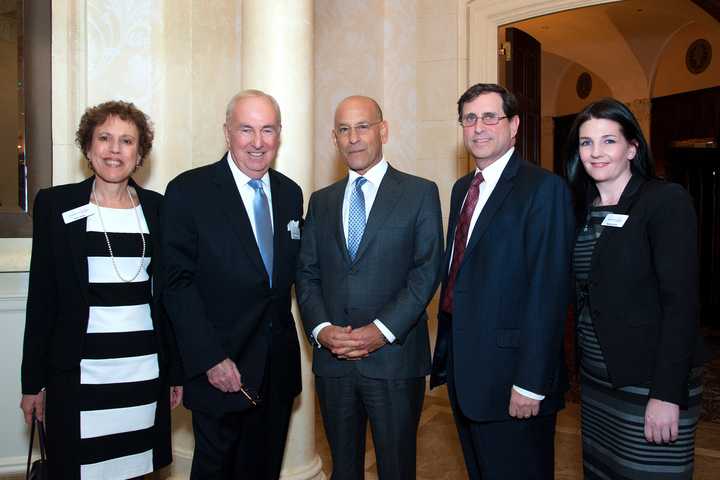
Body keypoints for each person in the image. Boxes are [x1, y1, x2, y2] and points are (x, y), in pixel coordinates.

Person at [20, 100, 183, 479]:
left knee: (134, 467)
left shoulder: (159, 209)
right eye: (104, 138)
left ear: (139, 153)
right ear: (88, 147)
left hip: (141, 372)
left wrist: (175, 372)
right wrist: (33, 382)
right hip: (80, 374)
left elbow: (167, 300)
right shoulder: (56, 205)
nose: (114, 149)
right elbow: (41, 298)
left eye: (127, 141)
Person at [430, 83, 575, 480]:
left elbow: (549, 292)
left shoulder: (543, 189)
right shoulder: (463, 189)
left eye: (490, 117)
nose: (479, 127)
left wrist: (531, 382)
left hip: (514, 380)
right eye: (470, 118)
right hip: (467, 374)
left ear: (514, 126)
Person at [296, 95, 443, 479]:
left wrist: (380, 332)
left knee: (396, 468)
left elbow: (426, 272)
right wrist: (321, 330)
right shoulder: (321, 202)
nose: (353, 138)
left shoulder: (419, 193)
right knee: (343, 469)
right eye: (343, 129)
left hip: (394, 362)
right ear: (334, 137)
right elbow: (307, 274)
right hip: (334, 362)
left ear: (383, 130)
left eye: (362, 126)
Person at [162, 90, 303, 480]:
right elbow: (176, 283)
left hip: (276, 369)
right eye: (246, 129)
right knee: (217, 470)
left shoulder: (291, 193)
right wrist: (210, 358)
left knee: (264, 469)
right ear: (227, 133)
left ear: (279, 134)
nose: (258, 142)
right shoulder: (190, 191)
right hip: (221, 368)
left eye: (268, 130)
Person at [564, 97, 707, 479]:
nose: (596, 152)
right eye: (586, 142)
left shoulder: (663, 201)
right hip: (597, 385)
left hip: (649, 385)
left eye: (609, 141)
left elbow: (681, 305)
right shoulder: (582, 209)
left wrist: (666, 393)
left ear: (632, 147)